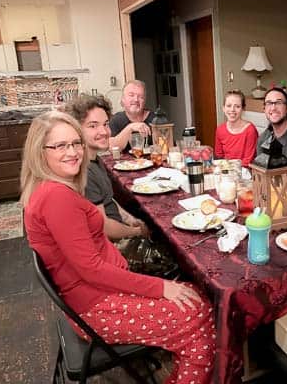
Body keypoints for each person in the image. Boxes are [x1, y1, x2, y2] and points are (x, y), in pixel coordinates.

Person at [21, 111, 215, 384]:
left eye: (76, 143)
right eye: (61, 146)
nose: (73, 152)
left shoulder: (51, 189)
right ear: (40, 152)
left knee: (196, 295)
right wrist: (161, 287)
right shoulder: (56, 198)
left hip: (93, 296)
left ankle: (186, 371)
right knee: (199, 312)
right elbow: (92, 270)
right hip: (94, 308)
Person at [66, 95, 150, 241]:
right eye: (93, 126)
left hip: (119, 228)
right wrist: (137, 232)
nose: (104, 131)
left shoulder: (95, 160)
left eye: (105, 124)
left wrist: (130, 219)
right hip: (111, 245)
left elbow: (108, 200)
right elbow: (104, 228)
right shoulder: (84, 171)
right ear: (76, 129)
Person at [214, 90, 258, 166]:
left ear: (243, 109)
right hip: (226, 171)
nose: (232, 110)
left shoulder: (250, 130)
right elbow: (219, 156)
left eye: (237, 106)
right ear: (223, 108)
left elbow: (248, 160)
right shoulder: (220, 129)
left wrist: (230, 167)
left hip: (245, 173)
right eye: (228, 106)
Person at [109, 80, 152, 151]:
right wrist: (130, 127)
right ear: (123, 99)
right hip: (124, 162)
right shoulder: (116, 120)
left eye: (140, 97)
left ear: (144, 101)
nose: (136, 100)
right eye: (131, 95)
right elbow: (112, 148)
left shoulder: (155, 119)